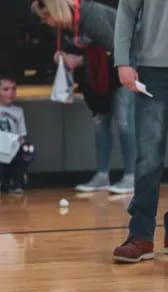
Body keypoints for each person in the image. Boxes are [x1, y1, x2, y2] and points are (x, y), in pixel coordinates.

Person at [32, 0, 136, 194]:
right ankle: (102, 175)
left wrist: (82, 60)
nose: (44, 21)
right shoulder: (62, 26)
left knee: (124, 121)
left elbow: (118, 49)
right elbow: (74, 48)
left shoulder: (92, 16)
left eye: (46, 16)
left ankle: (132, 176)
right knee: (100, 121)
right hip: (97, 74)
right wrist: (63, 56)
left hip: (126, 66)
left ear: (57, 11)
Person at [112, 0, 168, 263]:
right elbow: (126, 12)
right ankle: (141, 235)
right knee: (148, 158)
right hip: (153, 70)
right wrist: (122, 60)